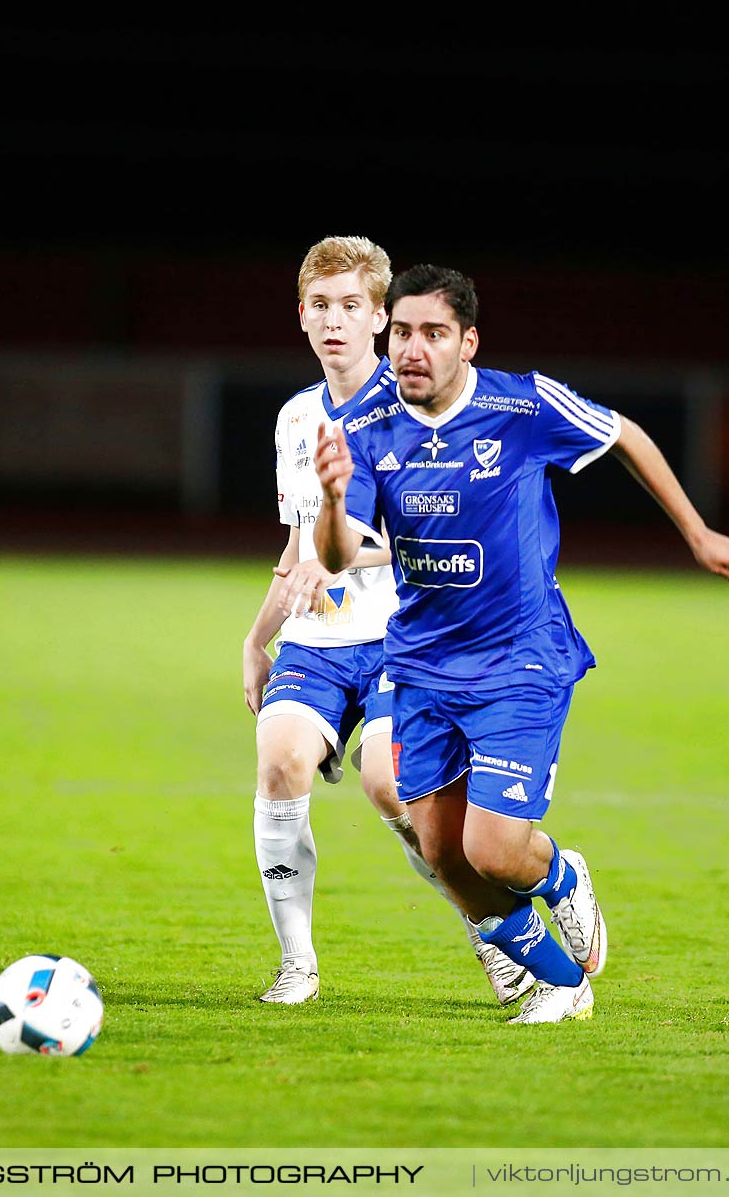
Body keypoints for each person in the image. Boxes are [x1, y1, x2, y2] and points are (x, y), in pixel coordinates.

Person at [314, 265, 729, 1023]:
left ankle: (558, 877)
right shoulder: (364, 428)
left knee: (492, 850)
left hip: (520, 658)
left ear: (468, 342)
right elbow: (334, 556)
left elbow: (625, 435)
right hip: (421, 665)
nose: (413, 349)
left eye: (433, 333)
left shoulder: (521, 405)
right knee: (442, 854)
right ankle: (562, 983)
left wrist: (698, 533)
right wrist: (330, 496)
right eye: (401, 333)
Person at [243, 237, 531, 1006]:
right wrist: (255, 637)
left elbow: (424, 533)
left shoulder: (414, 405)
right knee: (279, 763)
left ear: (380, 317)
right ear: (302, 317)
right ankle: (297, 966)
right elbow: (299, 542)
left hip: (406, 637)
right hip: (318, 639)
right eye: (321, 307)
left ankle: (492, 931)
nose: (335, 322)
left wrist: (340, 557)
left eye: (351, 307)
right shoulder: (296, 417)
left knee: (394, 790)